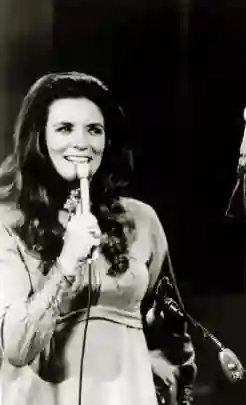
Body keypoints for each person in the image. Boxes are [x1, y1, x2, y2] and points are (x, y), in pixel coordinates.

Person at [0, 72, 195, 405]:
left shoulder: (141, 219)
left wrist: (168, 381)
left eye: (94, 129)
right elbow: (18, 347)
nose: (82, 142)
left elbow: (172, 330)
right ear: (39, 138)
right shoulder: (8, 219)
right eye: (64, 129)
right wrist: (67, 262)